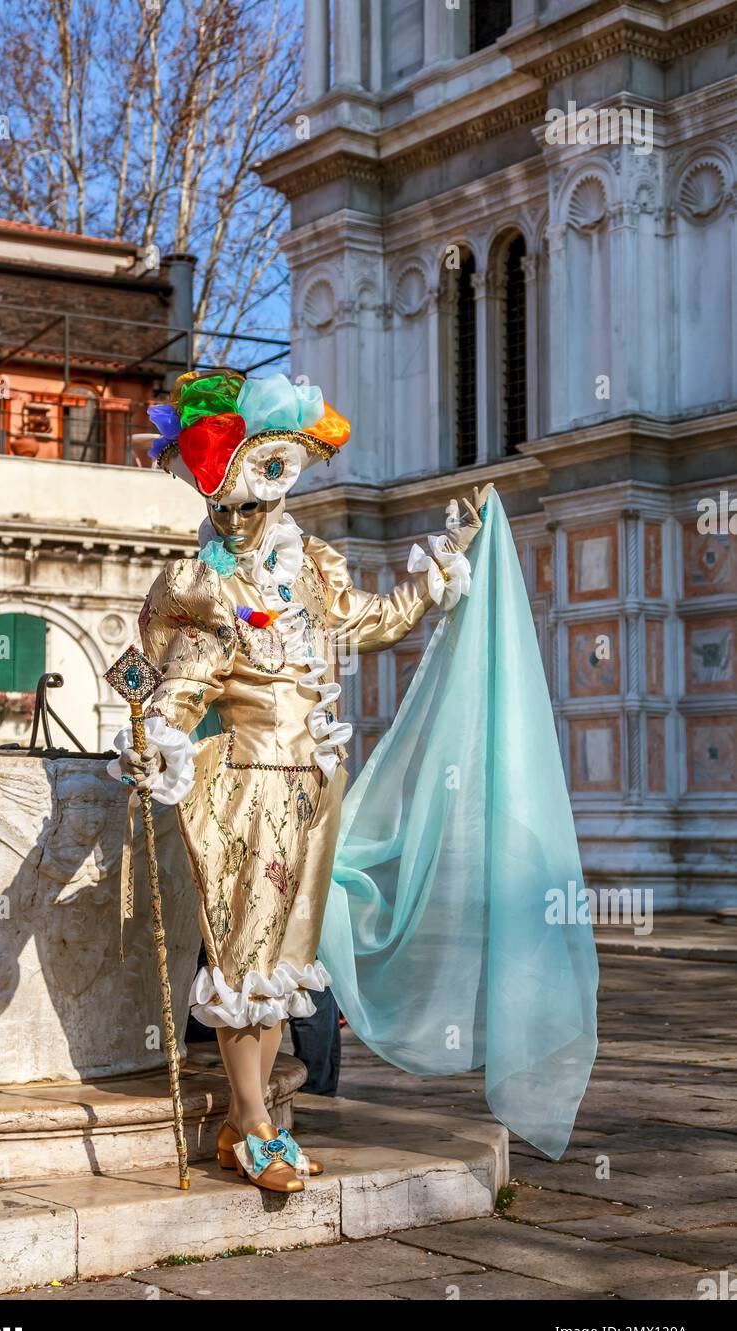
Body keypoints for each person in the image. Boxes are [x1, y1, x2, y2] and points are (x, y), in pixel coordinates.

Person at [108, 367, 485, 1191]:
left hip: (315, 781)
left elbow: (365, 621)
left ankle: (251, 1118)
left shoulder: (311, 560)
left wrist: (441, 572)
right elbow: (185, 675)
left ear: (280, 491)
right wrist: (160, 735)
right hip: (243, 781)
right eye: (224, 506)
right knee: (245, 955)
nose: (238, 520)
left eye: (252, 503)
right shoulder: (200, 582)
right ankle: (251, 1123)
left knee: (284, 958)